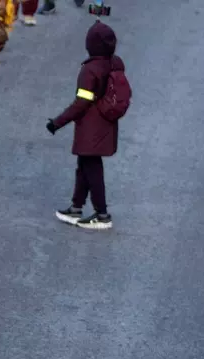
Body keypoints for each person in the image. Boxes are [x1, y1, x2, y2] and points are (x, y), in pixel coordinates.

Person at [47, 21, 126, 230]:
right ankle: (76, 207)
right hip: (105, 126)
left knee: (92, 168)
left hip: (91, 128)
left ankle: (102, 214)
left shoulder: (90, 70)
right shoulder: (114, 62)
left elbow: (81, 103)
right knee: (84, 165)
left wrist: (57, 122)